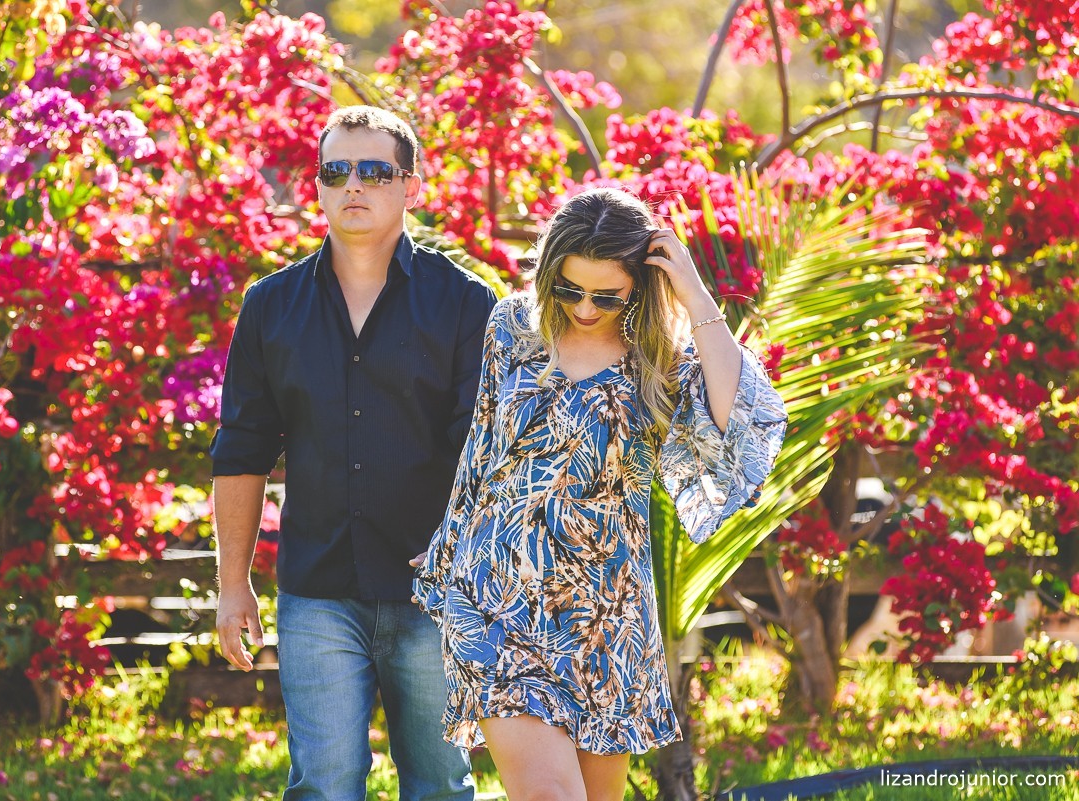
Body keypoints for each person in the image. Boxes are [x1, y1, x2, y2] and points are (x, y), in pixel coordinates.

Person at [412, 187, 788, 801]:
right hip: (500, 597)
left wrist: (695, 296)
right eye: (568, 288)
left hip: (608, 612)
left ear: (638, 287)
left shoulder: (660, 360)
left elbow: (740, 423)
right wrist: (447, 550)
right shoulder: (512, 328)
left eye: (606, 296)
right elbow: (481, 451)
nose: (585, 307)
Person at [212, 105, 496, 801]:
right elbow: (242, 450)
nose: (354, 186)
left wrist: (465, 564)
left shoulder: (465, 303)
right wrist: (231, 582)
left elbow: (483, 452)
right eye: (335, 171)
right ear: (316, 185)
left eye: (375, 170)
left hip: (434, 592)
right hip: (317, 592)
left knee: (439, 783)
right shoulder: (270, 306)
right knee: (325, 783)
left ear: (412, 185)